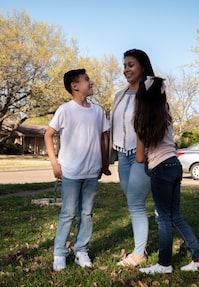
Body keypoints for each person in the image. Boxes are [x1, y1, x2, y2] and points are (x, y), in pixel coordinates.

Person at [133, 76, 199, 274]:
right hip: (175, 165)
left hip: (160, 168)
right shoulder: (165, 115)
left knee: (163, 218)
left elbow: (140, 157)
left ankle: (164, 264)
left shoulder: (142, 120)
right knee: (175, 216)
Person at [44, 68, 110, 272]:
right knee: (68, 213)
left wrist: (104, 164)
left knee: (87, 213)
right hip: (71, 172)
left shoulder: (98, 111)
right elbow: (48, 134)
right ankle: (59, 254)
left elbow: (104, 137)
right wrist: (55, 164)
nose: (91, 83)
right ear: (75, 86)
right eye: (86, 80)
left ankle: (81, 250)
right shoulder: (65, 110)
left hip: (92, 171)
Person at [109, 49, 153, 267]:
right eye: (124, 65)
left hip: (140, 156)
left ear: (142, 66)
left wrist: (141, 155)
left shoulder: (150, 92)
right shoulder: (120, 95)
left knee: (135, 203)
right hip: (122, 156)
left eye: (131, 65)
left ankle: (139, 253)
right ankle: (147, 235)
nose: (126, 69)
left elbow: (150, 125)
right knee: (133, 201)